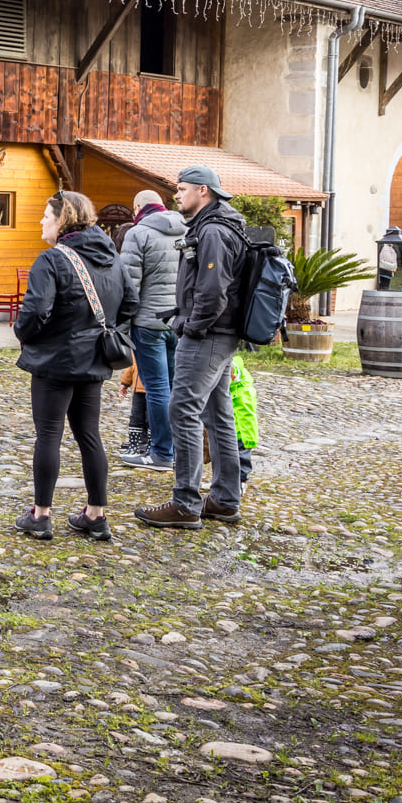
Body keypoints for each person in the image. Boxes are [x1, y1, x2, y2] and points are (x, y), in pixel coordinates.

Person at [12, 192, 137, 541]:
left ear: (62, 219)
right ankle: (96, 515)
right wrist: (106, 328)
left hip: (55, 359)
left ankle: (41, 515)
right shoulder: (111, 257)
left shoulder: (52, 260)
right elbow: (132, 302)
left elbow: (35, 311)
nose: (41, 221)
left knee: (49, 435)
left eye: (46, 216)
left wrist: (23, 333)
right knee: (89, 436)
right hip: (94, 358)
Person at [136, 165, 252, 530]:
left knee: (183, 410)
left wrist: (192, 329)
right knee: (218, 416)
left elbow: (213, 291)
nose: (177, 196)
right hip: (221, 333)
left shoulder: (214, 230)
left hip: (208, 335)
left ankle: (185, 503)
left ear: (204, 191)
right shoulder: (217, 225)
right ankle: (224, 500)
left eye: (182, 189)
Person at [116, 188, 184, 470]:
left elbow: (129, 285)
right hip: (177, 322)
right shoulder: (185, 228)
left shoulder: (138, 233)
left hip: (147, 323)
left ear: (137, 207)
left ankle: (161, 453)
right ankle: (177, 449)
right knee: (173, 386)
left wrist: (120, 326)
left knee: (156, 388)